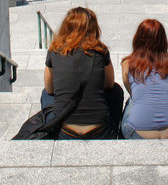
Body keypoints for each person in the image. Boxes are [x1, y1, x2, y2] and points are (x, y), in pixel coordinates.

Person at [41, 7, 123, 139]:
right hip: (100, 131)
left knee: (45, 94)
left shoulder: (54, 51)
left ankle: (50, 133)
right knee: (116, 91)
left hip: (64, 131)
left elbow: (49, 89)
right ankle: (115, 132)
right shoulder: (101, 51)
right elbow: (109, 84)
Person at [120, 19, 168, 140]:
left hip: (138, 133)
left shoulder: (128, 63)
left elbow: (133, 94)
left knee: (131, 101)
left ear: (138, 39)